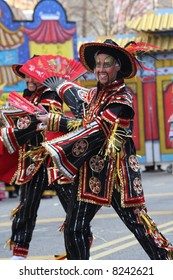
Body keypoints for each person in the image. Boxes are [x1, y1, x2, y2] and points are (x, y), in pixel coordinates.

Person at [37, 39, 173, 260]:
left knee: (140, 227)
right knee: (74, 228)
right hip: (93, 174)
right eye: (98, 64)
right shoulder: (94, 96)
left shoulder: (121, 100)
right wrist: (58, 87)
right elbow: (75, 96)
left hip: (118, 175)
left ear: (118, 66)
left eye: (106, 63)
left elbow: (96, 128)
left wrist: (56, 131)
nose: (100, 69)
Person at [0, 58, 75, 259]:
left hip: (54, 160)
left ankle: (79, 250)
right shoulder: (27, 96)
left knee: (72, 208)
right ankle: (19, 254)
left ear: (42, 76)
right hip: (31, 162)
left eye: (33, 76)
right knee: (26, 208)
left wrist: (12, 128)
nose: (29, 80)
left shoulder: (51, 95)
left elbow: (38, 122)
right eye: (26, 75)